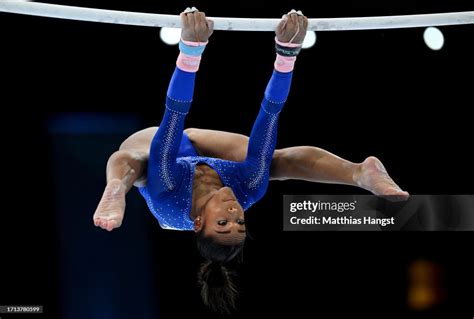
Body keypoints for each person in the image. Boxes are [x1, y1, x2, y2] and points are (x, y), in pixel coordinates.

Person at [93, 8, 409, 313]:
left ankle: (116, 188)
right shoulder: (249, 191)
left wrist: (191, 48)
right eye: (240, 222)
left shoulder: (170, 202)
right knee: (274, 163)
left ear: (199, 223)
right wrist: (286, 54)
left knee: (132, 163)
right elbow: (269, 117)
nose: (234, 213)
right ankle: (358, 173)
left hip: (160, 155)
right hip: (213, 160)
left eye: (223, 222)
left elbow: (173, 120)